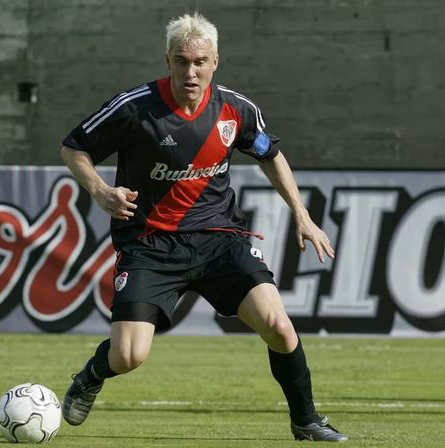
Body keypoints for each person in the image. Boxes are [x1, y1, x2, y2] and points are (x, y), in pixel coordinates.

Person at [59, 12, 347, 443]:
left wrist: (302, 216)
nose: (190, 71)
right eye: (181, 61)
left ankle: (306, 421)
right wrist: (101, 191)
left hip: (219, 239)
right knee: (129, 355)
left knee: (279, 325)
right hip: (150, 244)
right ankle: (89, 378)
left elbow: (270, 155)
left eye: (199, 61)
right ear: (168, 61)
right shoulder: (135, 107)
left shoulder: (236, 109)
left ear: (215, 62)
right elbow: (74, 146)